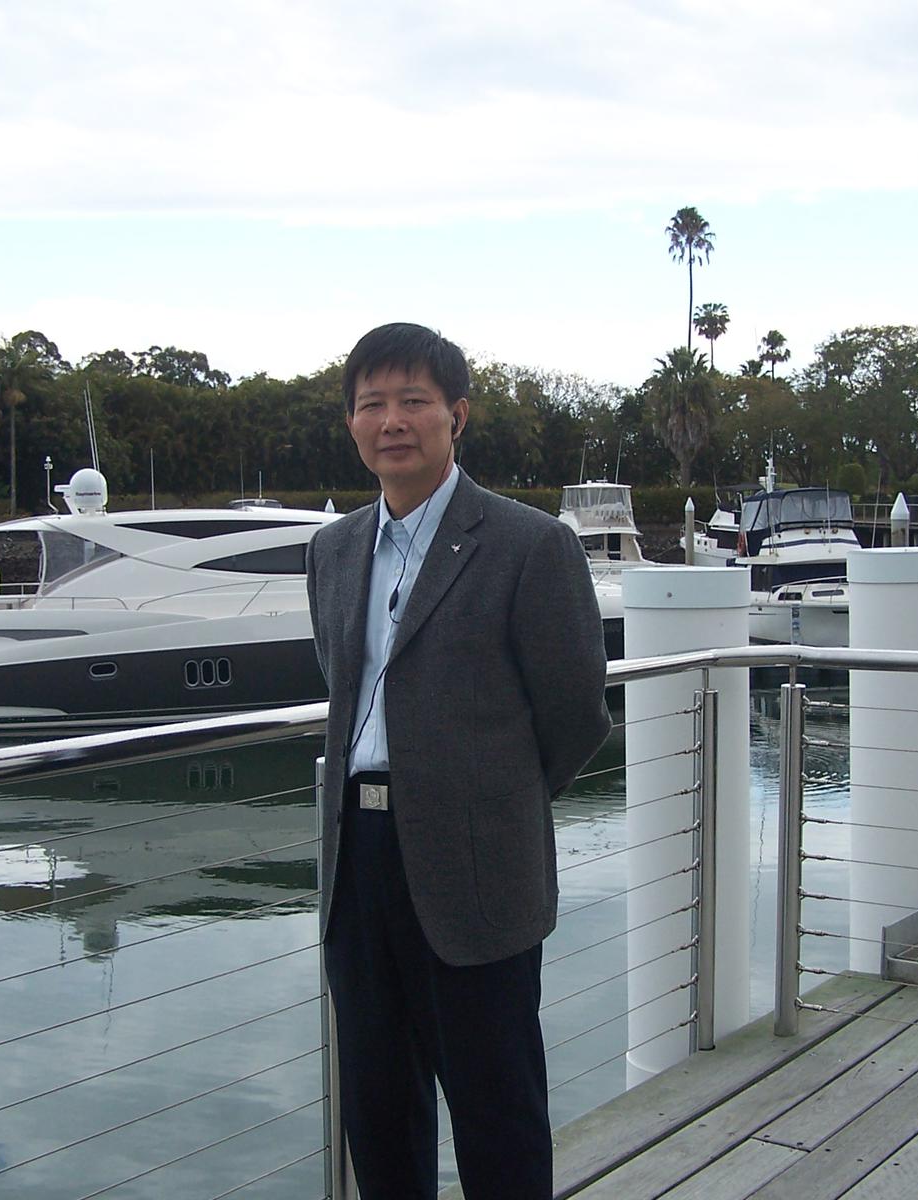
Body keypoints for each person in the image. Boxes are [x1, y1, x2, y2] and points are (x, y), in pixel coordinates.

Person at [305, 322, 611, 1198]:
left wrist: (490, 802)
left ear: (457, 415)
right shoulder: (331, 550)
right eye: (371, 404)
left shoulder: (529, 544)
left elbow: (576, 715)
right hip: (357, 864)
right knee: (378, 1112)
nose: (391, 421)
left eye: (414, 401)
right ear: (352, 422)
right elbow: (345, 686)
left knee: (497, 1112)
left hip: (476, 869)